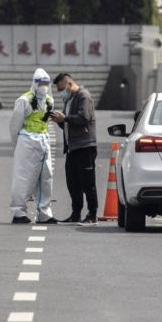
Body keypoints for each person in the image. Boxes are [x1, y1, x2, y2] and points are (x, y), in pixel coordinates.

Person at [9, 68, 57, 225]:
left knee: (45, 177)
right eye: (41, 83)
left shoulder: (49, 100)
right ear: (35, 83)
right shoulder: (24, 100)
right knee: (24, 177)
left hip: (43, 141)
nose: (44, 86)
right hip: (27, 141)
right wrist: (18, 144)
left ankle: (44, 213)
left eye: (46, 83)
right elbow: (15, 125)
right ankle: (18, 211)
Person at [49, 72, 98, 224]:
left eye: (62, 89)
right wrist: (59, 120)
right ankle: (75, 213)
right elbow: (68, 124)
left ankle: (92, 214)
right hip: (72, 148)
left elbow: (84, 118)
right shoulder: (69, 100)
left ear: (69, 84)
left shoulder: (84, 97)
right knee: (73, 183)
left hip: (84, 146)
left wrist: (65, 118)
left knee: (87, 183)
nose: (61, 93)